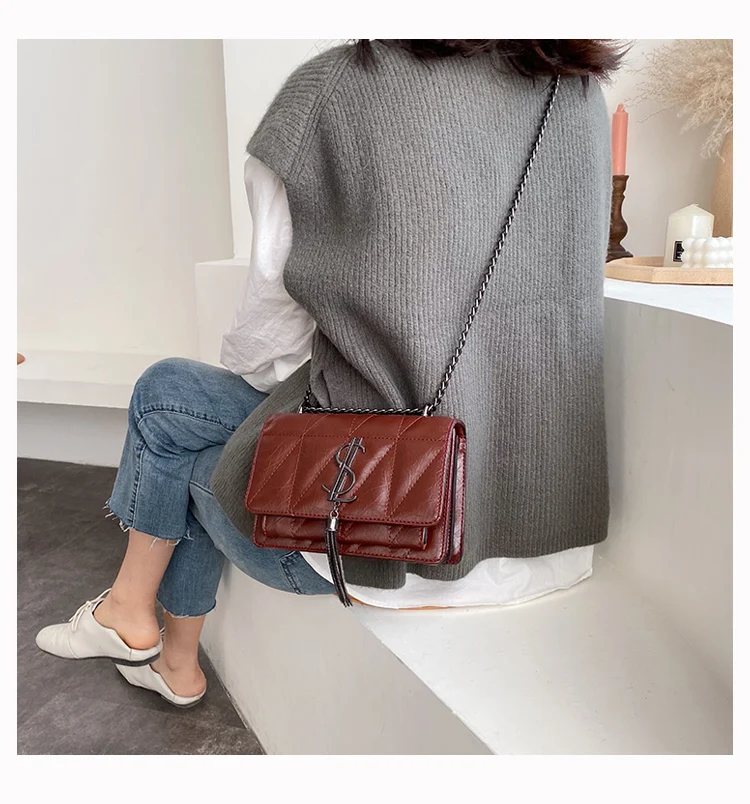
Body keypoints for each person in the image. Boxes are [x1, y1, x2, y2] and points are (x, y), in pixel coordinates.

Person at [35, 39, 624, 707]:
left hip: (371, 544)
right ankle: (155, 643)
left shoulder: (332, 91)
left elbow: (269, 346)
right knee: (176, 403)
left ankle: (143, 629)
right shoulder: (575, 92)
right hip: (546, 543)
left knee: (173, 420)